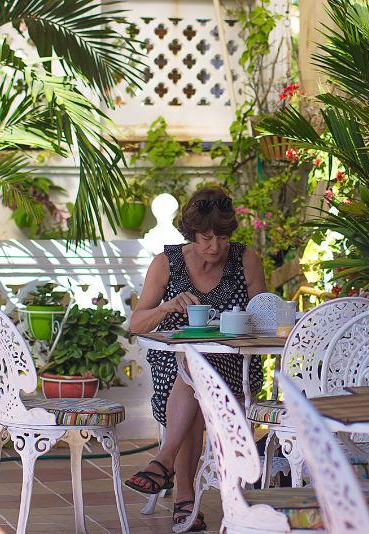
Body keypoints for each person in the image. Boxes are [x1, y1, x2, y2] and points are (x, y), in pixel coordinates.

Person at [127, 187, 267, 531]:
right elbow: (135, 324)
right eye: (205, 238)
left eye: (221, 237)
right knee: (193, 368)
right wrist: (167, 307)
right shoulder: (167, 263)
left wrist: (236, 325)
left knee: (196, 369)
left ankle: (167, 468)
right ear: (191, 235)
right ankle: (183, 492)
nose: (215, 247)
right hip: (173, 371)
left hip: (236, 367)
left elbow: (264, 320)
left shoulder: (245, 259)